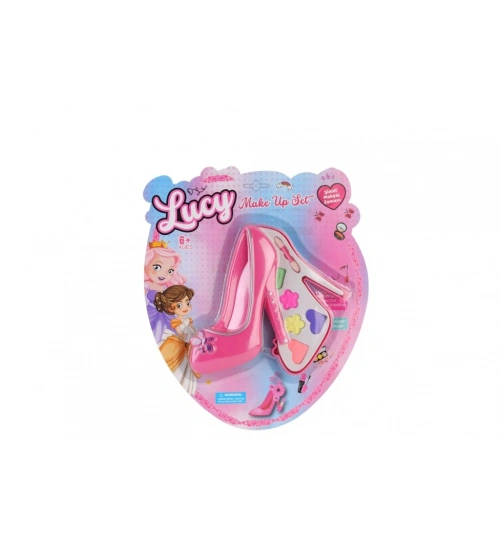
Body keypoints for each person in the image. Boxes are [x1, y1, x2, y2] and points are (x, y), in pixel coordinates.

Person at [155, 285, 200, 395]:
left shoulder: (187, 320)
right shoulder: (177, 321)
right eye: (179, 305)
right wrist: (184, 336)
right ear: (171, 308)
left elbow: (192, 329)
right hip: (180, 343)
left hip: (189, 343)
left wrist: (195, 334)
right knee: (179, 364)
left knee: (188, 364)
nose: (185, 307)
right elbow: (180, 332)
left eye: (187, 303)